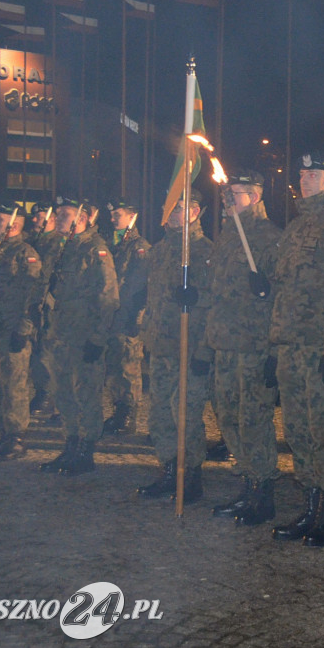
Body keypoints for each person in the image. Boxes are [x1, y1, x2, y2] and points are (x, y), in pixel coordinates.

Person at [263, 151, 324, 547]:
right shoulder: (296, 228)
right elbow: (284, 291)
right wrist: (274, 346)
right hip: (290, 348)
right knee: (297, 431)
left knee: (323, 430)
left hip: (320, 348)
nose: (306, 179)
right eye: (303, 173)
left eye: (315, 173)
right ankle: (311, 504)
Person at [204, 169, 283, 526]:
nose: (230, 200)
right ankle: (247, 479)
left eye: (238, 193)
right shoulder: (226, 237)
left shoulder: (268, 237)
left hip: (253, 342)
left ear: (255, 196)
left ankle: (261, 490)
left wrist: (267, 287)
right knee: (228, 413)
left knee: (253, 417)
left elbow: (282, 291)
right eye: (228, 194)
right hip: (225, 341)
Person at [135, 190, 213, 502]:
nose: (172, 215)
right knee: (159, 414)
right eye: (170, 209)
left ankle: (190, 476)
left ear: (194, 212)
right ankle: (170, 469)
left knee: (185, 414)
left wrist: (204, 348)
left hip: (189, 346)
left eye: (179, 209)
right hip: (161, 345)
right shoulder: (159, 251)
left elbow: (215, 301)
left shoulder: (204, 250)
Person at [39, 196, 119, 476]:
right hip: (61, 336)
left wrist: (97, 339)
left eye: (65, 214)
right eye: (57, 213)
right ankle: (71, 444)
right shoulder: (65, 248)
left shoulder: (95, 250)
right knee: (63, 394)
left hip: (84, 337)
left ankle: (86, 450)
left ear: (83, 218)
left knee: (86, 394)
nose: (58, 218)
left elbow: (108, 297)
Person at [0, 200, 42, 460]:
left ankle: (16, 438)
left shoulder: (26, 254)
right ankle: (1, 435)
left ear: (13, 224)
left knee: (13, 385)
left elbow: (33, 294)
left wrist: (24, 329)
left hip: (12, 329)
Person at [102, 198, 150, 436]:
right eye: (112, 215)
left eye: (118, 215)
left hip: (128, 316)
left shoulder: (139, 246)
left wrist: (134, 316)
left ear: (132, 216)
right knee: (113, 366)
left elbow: (139, 285)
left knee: (129, 366)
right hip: (111, 316)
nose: (113, 219)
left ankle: (129, 414)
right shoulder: (111, 243)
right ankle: (118, 410)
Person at [26, 201, 59, 414]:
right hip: (35, 303)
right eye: (35, 216)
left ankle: (49, 395)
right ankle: (41, 390)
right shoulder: (34, 242)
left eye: (39, 216)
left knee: (49, 352)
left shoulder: (58, 243)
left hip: (52, 306)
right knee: (37, 351)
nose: (36, 220)